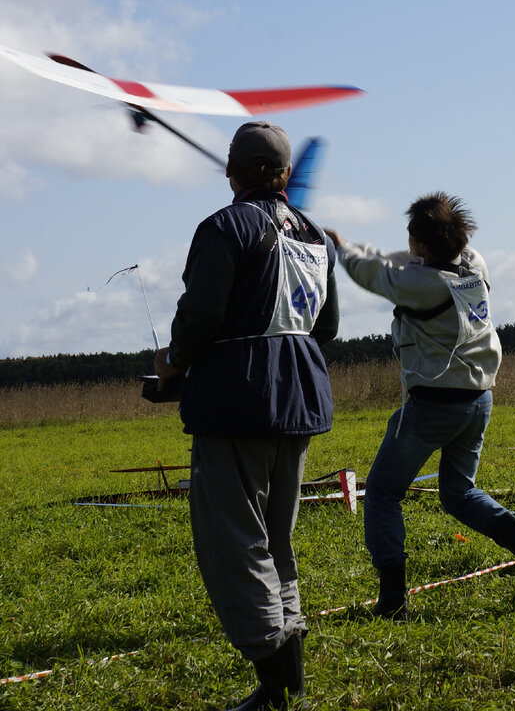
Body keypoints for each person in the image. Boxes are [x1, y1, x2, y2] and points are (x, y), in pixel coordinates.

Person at [156, 121, 339, 711]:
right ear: (285, 175)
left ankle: (273, 683)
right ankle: (290, 680)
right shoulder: (315, 235)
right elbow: (326, 327)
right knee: (277, 541)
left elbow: (200, 315)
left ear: (232, 171)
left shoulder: (222, 227)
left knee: (234, 542)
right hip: (299, 398)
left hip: (237, 400)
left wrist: (172, 364)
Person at [325, 192, 515, 621]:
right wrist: (348, 242)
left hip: (434, 404)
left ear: (425, 245)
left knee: (382, 493)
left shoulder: (423, 285)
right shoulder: (473, 262)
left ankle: (393, 601)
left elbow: (377, 274)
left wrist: (340, 249)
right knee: (458, 493)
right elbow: (399, 261)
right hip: (478, 399)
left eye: (412, 238)